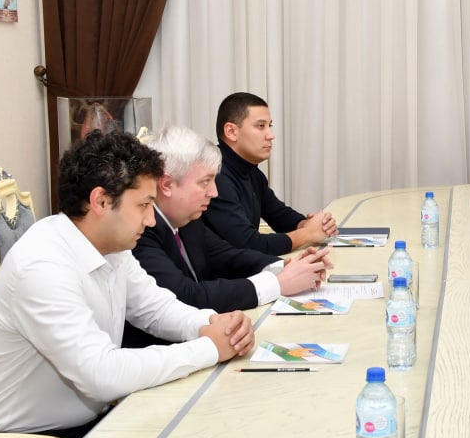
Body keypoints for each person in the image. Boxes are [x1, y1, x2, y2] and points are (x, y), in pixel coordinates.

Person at [0, 131, 255, 438]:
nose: (151, 220)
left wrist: (212, 324)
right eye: (144, 205)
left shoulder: (109, 244)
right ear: (101, 201)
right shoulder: (42, 266)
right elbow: (101, 375)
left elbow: (154, 307)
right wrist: (209, 348)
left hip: (85, 430)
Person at [126, 125, 332, 346]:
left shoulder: (186, 218)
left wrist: (285, 267)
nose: (214, 192)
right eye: (205, 182)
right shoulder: (138, 231)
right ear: (167, 184)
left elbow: (225, 256)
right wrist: (277, 283)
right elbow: (186, 295)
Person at [201, 92, 338, 255]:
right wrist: (308, 234)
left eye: (270, 125)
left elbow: (278, 214)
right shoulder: (215, 175)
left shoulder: (250, 170)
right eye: (260, 126)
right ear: (231, 131)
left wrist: (310, 224)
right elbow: (248, 244)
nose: (271, 135)